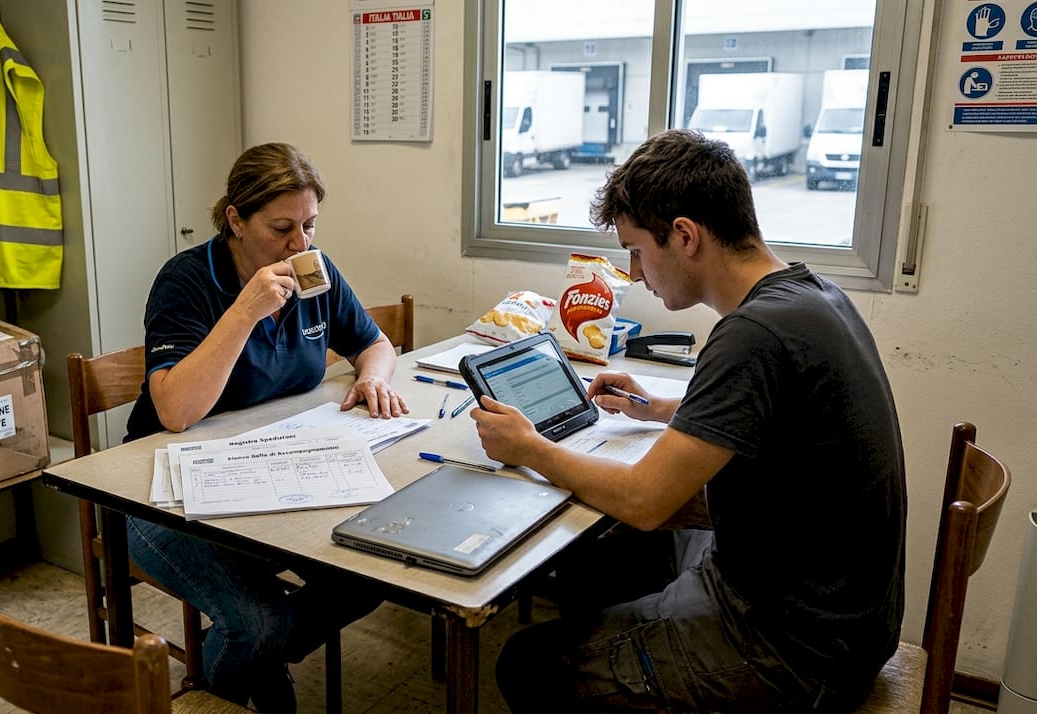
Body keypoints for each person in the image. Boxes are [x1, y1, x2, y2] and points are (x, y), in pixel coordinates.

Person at [474, 129, 906, 712]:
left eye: (636, 250)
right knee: (606, 558)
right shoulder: (811, 296)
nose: (634, 272)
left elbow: (644, 500)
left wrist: (530, 448)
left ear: (684, 235)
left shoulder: (752, 334)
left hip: (796, 651)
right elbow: (779, 419)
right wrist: (663, 409)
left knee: (528, 663)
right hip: (844, 622)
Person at [123, 142, 408, 712]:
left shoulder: (314, 270)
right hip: (160, 491)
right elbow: (176, 411)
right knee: (255, 620)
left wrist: (373, 377)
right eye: (282, 228)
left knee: (371, 572)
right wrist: (244, 311)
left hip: (271, 469)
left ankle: (259, 658)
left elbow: (374, 343)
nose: (300, 244)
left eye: (310, 224)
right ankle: (233, 677)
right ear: (236, 220)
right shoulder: (186, 281)